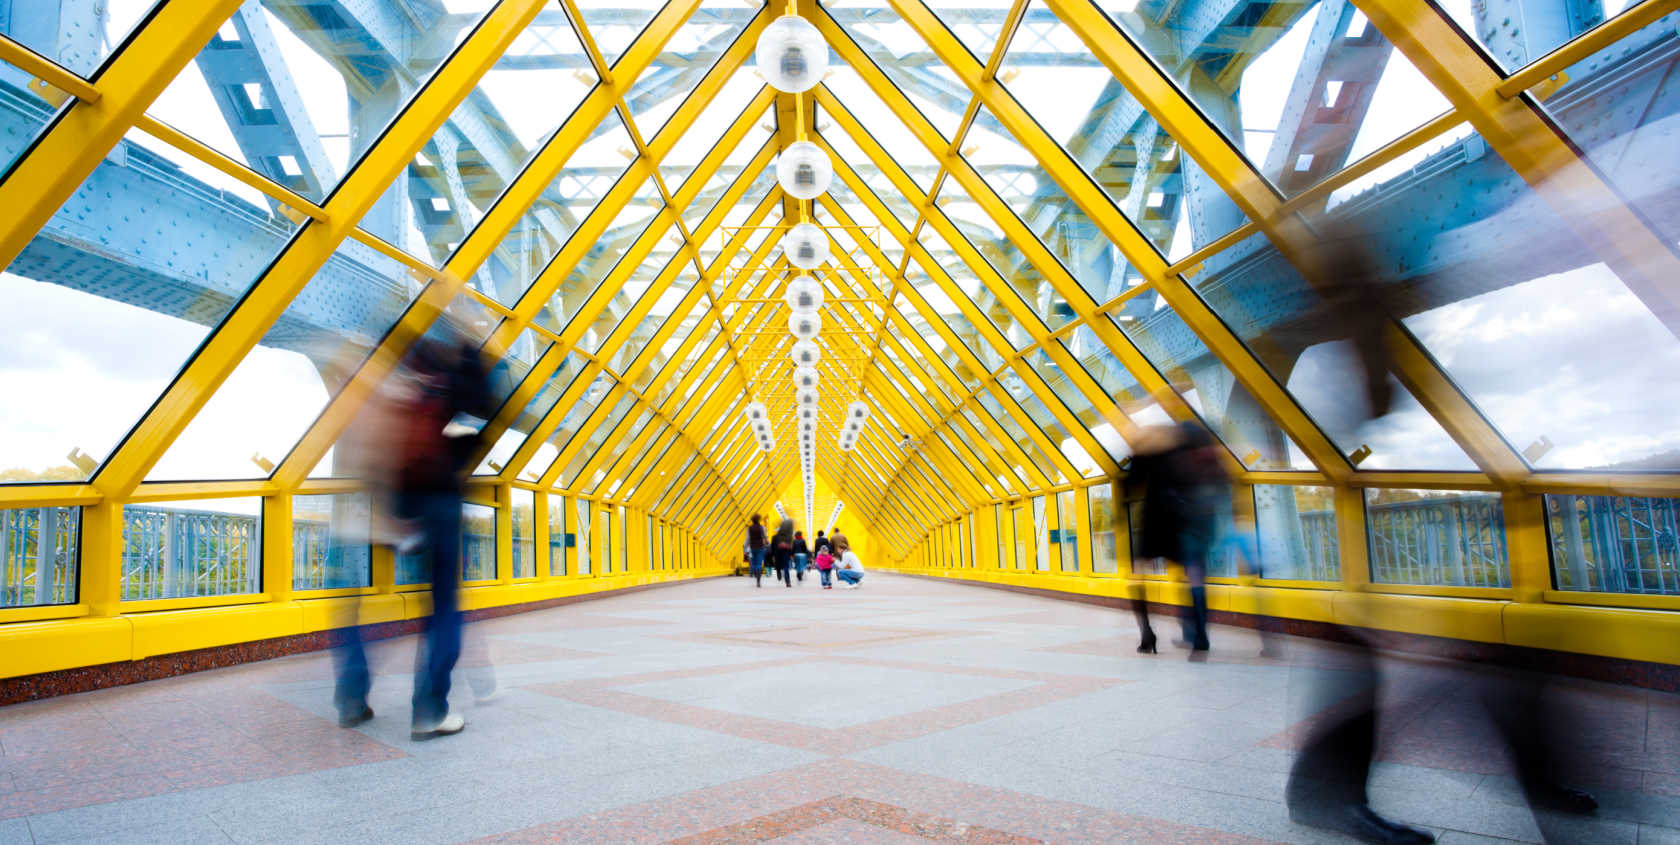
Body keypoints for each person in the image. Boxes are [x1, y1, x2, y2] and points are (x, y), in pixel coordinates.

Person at [334, 329, 492, 741]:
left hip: (386, 499)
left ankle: (351, 696)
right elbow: (476, 425)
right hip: (439, 502)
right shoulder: (460, 367)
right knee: (443, 608)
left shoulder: (389, 366)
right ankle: (429, 710)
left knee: (354, 603)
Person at [1125, 421, 1226, 661]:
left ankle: (1147, 634)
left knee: (1137, 576)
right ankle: (1199, 635)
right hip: (1181, 521)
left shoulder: (1143, 455)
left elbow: (1130, 486)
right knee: (1193, 577)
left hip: (1153, 521)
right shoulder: (1180, 454)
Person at [770, 518, 795, 587]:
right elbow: (791, 546)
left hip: (777, 553)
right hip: (786, 553)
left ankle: (778, 572)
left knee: (778, 564)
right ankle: (788, 581)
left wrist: (772, 555)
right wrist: (791, 554)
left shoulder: (774, 537)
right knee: (786, 566)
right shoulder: (789, 537)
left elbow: (772, 546)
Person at [746, 515, 766, 587]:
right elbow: (765, 536)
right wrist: (767, 542)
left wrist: (745, 548)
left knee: (753, 563)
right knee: (759, 564)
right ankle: (758, 580)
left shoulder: (749, 528)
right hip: (760, 547)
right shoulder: (762, 528)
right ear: (759, 519)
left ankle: (755, 572)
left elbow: (748, 539)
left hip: (752, 548)